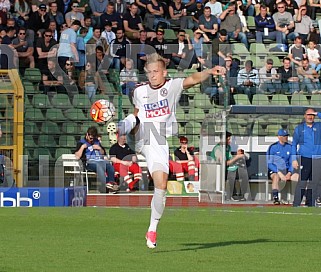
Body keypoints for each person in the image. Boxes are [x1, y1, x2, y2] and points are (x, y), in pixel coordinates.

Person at [118, 53, 225, 249]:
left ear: (164, 72)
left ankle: (152, 229)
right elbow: (137, 112)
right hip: (140, 134)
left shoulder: (172, 86)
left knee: (161, 184)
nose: (152, 75)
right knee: (134, 119)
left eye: (156, 72)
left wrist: (209, 71)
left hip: (157, 140)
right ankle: (121, 126)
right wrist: (129, 125)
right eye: (149, 72)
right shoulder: (139, 91)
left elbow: (192, 79)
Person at [74, 126, 119, 193]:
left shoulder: (96, 142)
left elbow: (103, 153)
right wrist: (83, 147)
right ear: (87, 135)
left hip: (100, 160)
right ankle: (103, 187)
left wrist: (99, 148)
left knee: (110, 166)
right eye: (90, 138)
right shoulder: (81, 143)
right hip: (89, 162)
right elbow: (77, 156)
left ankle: (111, 184)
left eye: (93, 138)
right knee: (99, 167)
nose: (91, 140)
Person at [291, 108, 321, 207]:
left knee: (314, 183)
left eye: (312, 115)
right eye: (308, 114)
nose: (310, 116)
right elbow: (294, 144)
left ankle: (310, 204)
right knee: (302, 182)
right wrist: (294, 159)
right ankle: (296, 204)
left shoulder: (319, 126)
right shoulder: (299, 128)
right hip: (305, 158)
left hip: (317, 158)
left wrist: (318, 113)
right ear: (305, 116)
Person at [210, 131, 250, 202]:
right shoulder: (218, 149)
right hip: (216, 172)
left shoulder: (228, 147)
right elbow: (224, 163)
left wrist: (237, 155)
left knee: (238, 170)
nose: (230, 141)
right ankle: (231, 194)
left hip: (224, 170)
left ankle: (239, 194)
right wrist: (237, 157)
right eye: (228, 139)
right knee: (232, 171)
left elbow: (230, 159)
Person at [267, 129, 299, 205]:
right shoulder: (273, 147)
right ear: (279, 137)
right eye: (284, 136)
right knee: (276, 177)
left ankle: (306, 196)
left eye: (287, 136)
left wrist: (289, 172)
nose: (286, 138)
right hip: (276, 170)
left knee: (298, 177)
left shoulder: (290, 147)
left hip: (287, 170)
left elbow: (292, 161)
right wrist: (279, 172)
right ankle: (275, 198)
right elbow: (269, 164)